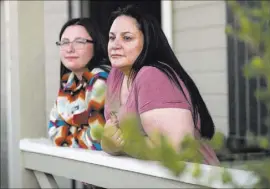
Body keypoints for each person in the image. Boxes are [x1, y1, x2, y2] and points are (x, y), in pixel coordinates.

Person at [101, 5, 219, 165]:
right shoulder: (116, 75)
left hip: (191, 179)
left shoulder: (153, 75)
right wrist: (109, 141)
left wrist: (118, 146)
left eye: (127, 38)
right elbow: (113, 130)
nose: (115, 44)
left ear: (147, 40)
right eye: (112, 37)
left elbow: (176, 149)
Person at [48, 18, 110, 151]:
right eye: (65, 43)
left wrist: (69, 131)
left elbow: (98, 138)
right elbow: (53, 130)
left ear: (96, 45)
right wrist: (82, 129)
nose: (70, 49)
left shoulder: (100, 81)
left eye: (79, 42)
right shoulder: (68, 82)